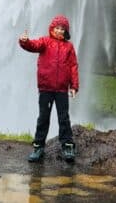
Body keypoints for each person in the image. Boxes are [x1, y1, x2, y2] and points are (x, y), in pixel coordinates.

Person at [19, 14, 79, 163]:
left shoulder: (69, 47)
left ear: (66, 31)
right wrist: (24, 41)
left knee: (63, 118)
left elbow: (73, 67)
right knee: (43, 118)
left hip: (61, 90)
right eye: (57, 28)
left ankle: (67, 146)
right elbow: (33, 46)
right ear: (52, 28)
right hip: (46, 88)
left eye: (62, 29)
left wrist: (74, 86)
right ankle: (38, 146)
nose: (59, 31)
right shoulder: (45, 42)